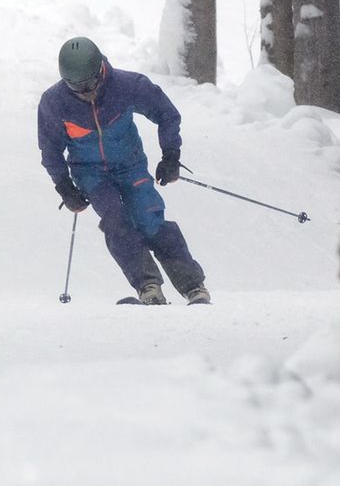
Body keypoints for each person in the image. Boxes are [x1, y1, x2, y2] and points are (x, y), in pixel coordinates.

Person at [36, 37, 210, 305]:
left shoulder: (127, 86)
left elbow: (167, 115)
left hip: (130, 166)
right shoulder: (54, 103)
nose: (86, 93)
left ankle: (193, 287)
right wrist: (65, 188)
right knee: (115, 220)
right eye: (76, 87)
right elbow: (50, 151)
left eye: (90, 85)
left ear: (100, 71)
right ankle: (148, 287)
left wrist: (171, 156)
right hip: (90, 175)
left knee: (149, 218)